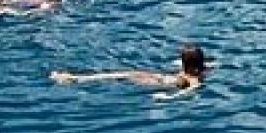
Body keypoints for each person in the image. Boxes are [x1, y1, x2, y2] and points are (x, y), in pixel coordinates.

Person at [51, 45, 208, 96]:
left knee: (121, 75)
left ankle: (76, 78)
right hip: (161, 81)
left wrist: (168, 98)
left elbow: (187, 91)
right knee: (121, 76)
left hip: (159, 78)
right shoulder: (197, 76)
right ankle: (74, 78)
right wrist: (169, 98)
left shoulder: (191, 74)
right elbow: (190, 91)